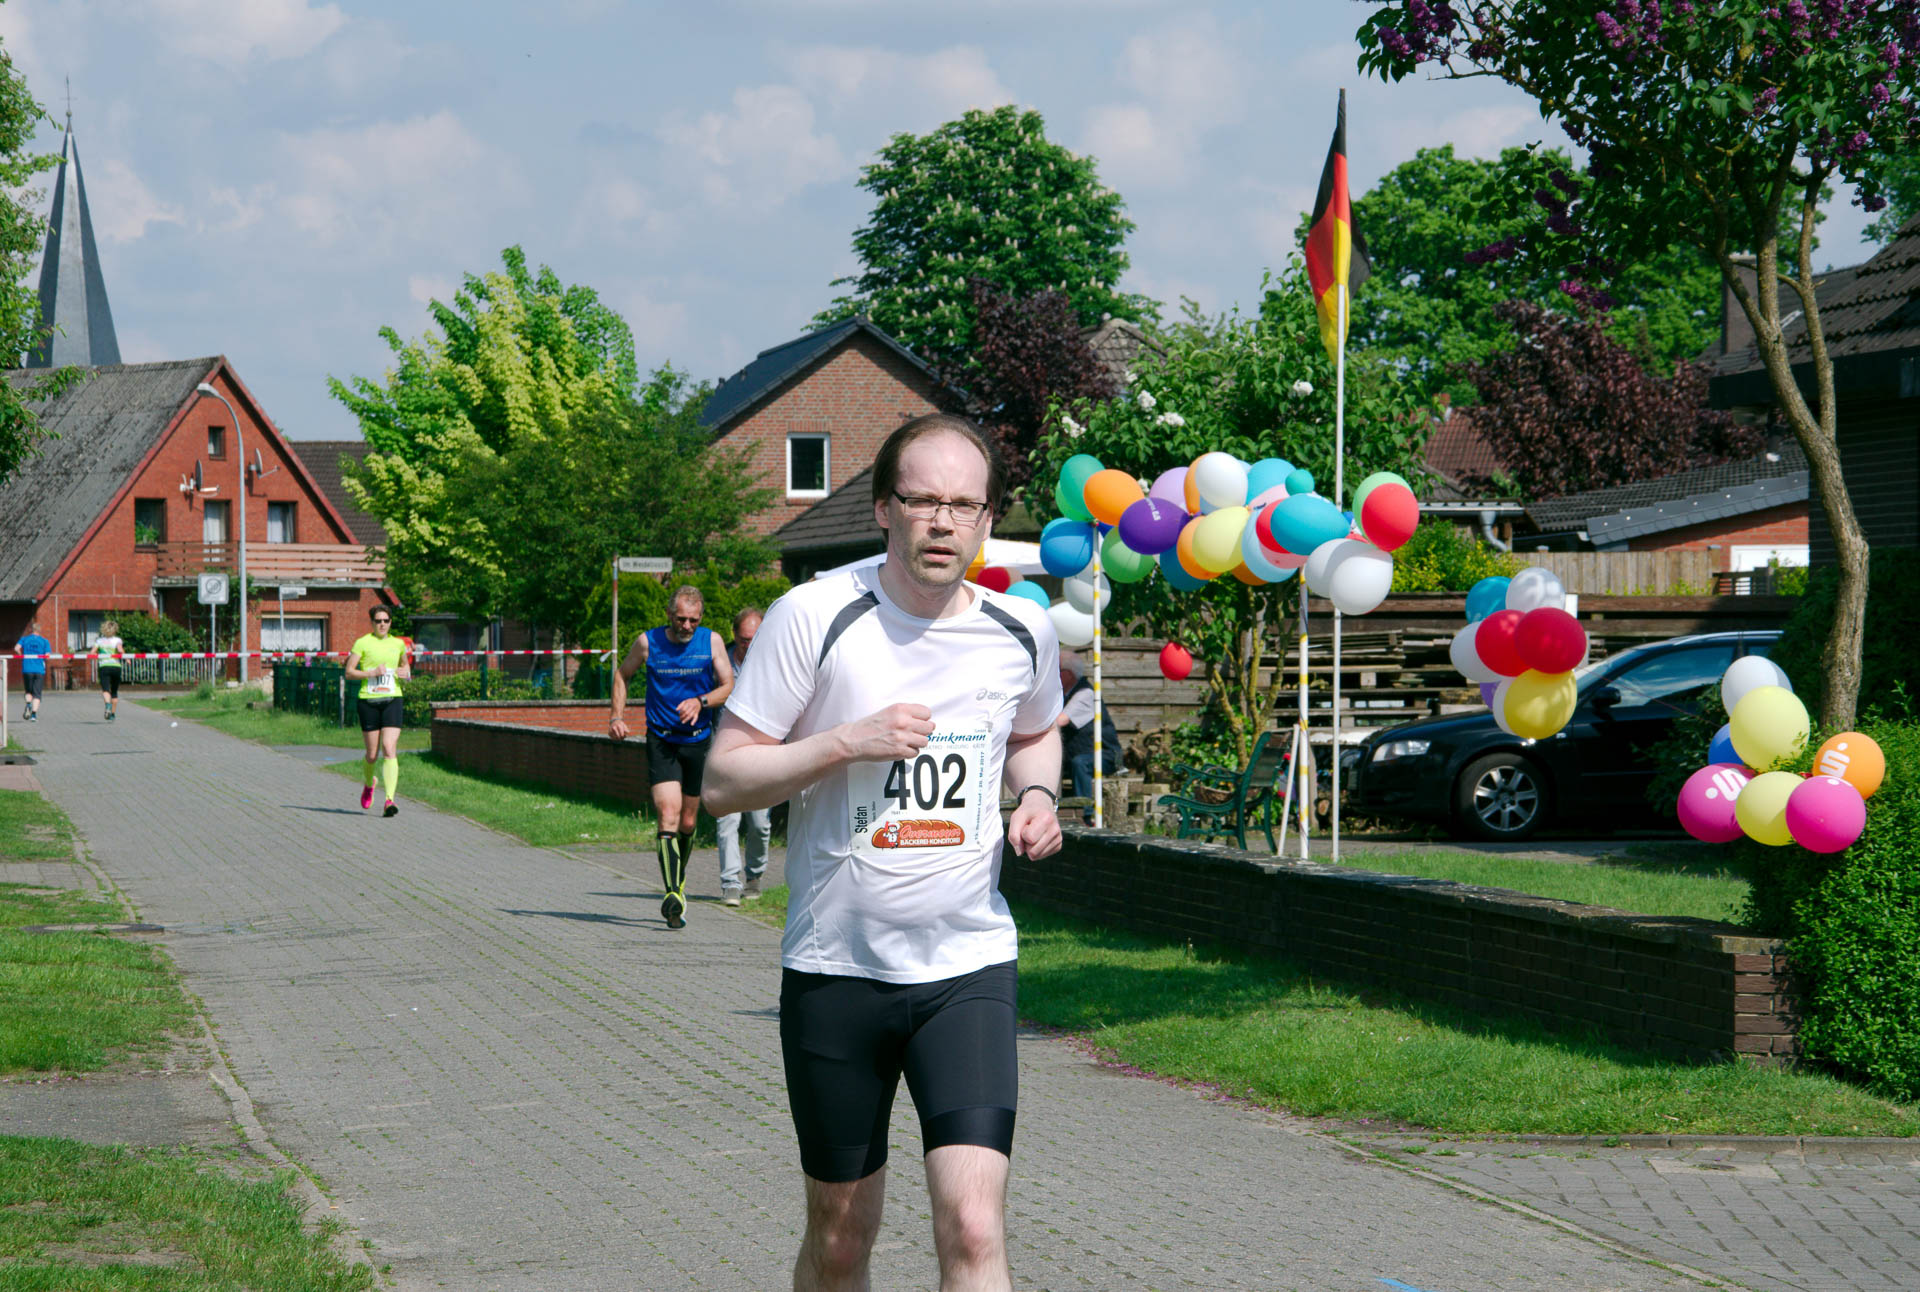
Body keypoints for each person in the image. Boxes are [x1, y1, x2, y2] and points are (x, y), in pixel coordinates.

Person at [706, 413, 1063, 1292]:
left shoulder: (1023, 628)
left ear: (988, 520)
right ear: (883, 508)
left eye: (964, 505)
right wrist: (846, 742)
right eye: (923, 500)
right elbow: (723, 780)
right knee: (840, 1240)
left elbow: (1036, 730)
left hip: (967, 968)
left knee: (974, 1226)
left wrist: (1038, 797)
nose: (943, 522)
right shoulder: (814, 615)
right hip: (838, 971)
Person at [610, 586, 734, 930]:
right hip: (662, 740)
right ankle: (673, 892)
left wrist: (701, 701)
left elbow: (728, 685)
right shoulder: (647, 642)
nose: (687, 626)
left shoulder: (711, 642)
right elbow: (622, 674)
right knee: (668, 814)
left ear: (701, 618)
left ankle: (678, 880)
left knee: (689, 823)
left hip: (697, 741)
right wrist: (616, 717)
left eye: (693, 620)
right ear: (669, 614)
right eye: (681, 619)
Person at [713, 606, 770, 907]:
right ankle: (730, 884)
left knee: (759, 824)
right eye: (744, 639)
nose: (749, 645)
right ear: (734, 635)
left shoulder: (772, 663)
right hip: (724, 756)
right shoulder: (718, 663)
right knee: (728, 821)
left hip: (761, 754)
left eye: (755, 638)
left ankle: (754, 876)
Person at [345, 607, 410, 817]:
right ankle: (368, 783)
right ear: (372, 622)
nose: (382, 624)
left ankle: (389, 800)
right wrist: (371, 673)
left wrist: (406, 673)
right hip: (369, 701)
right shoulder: (362, 643)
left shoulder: (398, 644)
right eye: (378, 621)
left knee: (389, 747)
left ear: (390, 622)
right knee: (372, 755)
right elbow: (349, 672)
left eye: (386, 620)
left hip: (392, 699)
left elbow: (405, 667)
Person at [1056, 651, 1122, 827]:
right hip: (1080, 755)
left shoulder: (1085, 694)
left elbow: (1060, 721)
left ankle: (1085, 815)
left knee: (1080, 763)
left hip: (1107, 755)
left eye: (1056, 670)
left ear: (1067, 673)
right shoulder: (1064, 694)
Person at [14, 620, 50, 723]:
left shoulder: (24, 639)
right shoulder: (44, 641)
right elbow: (47, 656)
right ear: (40, 630)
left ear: (31, 630)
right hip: (39, 670)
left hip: (27, 669)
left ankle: (28, 704)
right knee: (37, 694)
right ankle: (33, 715)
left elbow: (16, 648)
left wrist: (21, 655)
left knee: (28, 691)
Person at [93, 620, 124, 721]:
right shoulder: (117, 640)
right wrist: (127, 658)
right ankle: (112, 715)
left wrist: (98, 655)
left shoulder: (99, 641)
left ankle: (107, 705)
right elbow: (120, 650)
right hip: (116, 666)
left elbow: (92, 652)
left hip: (104, 666)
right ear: (115, 630)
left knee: (106, 689)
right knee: (114, 691)